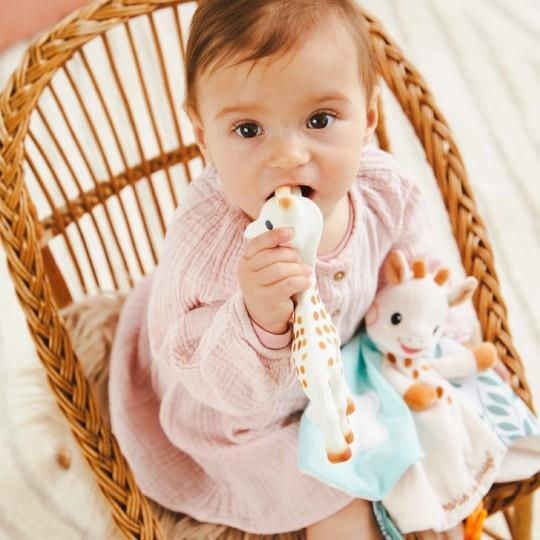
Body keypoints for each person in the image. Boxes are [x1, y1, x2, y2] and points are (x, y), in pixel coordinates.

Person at [108, 1, 485, 537]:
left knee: (443, 453)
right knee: (340, 507)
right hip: (243, 422)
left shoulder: (385, 192)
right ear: (204, 137)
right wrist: (258, 317)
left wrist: (449, 350)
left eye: (319, 120)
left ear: (368, 117)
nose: (287, 155)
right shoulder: (206, 237)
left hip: (352, 377)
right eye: (248, 129)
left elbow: (421, 278)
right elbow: (189, 360)